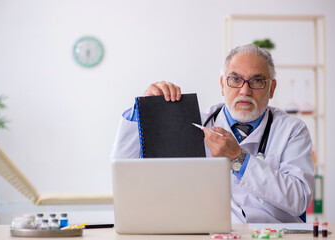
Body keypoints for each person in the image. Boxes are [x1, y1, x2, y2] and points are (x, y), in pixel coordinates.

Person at [111, 43, 314, 223]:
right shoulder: (192, 122)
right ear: (222, 86)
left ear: (271, 88)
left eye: (257, 81)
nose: (245, 91)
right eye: (235, 79)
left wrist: (239, 159)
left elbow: (299, 199)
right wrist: (144, 110)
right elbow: (125, 173)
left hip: (270, 234)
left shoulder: (291, 130)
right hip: (206, 233)